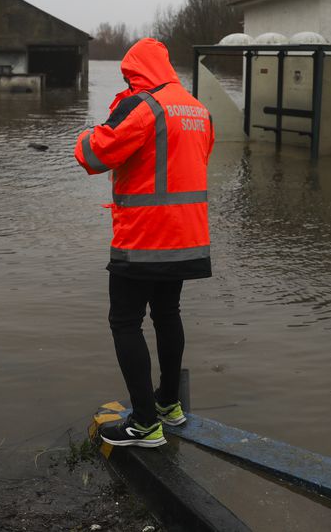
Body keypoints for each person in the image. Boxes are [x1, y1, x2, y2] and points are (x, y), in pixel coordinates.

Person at [74, 38, 214, 448]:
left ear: (136, 73)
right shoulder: (198, 109)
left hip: (144, 237)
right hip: (188, 235)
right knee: (168, 314)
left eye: (128, 76)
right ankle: (169, 404)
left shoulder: (143, 106)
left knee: (125, 322)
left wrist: (86, 133)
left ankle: (145, 424)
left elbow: (94, 156)